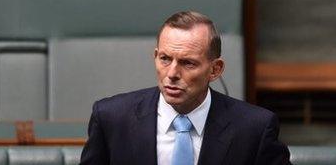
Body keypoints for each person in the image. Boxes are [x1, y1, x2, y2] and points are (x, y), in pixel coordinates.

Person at [80, 11, 292, 165]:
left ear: (215, 69)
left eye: (187, 63)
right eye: (165, 59)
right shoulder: (112, 118)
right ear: (155, 57)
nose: (172, 73)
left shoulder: (254, 129)